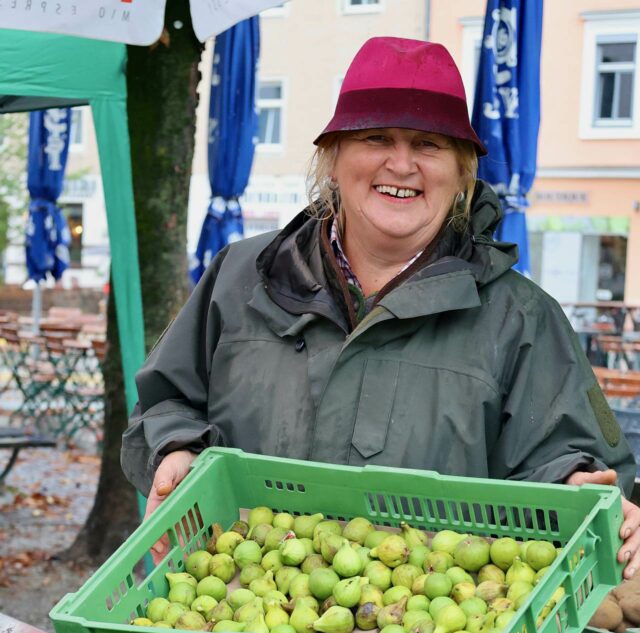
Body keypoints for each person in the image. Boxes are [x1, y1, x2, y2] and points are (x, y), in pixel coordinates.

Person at [121, 36, 640, 574]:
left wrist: (578, 486)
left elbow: (572, 463)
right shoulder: (240, 277)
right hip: (227, 626)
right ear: (333, 157)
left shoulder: (520, 317)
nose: (401, 163)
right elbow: (166, 402)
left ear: (462, 171)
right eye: (377, 138)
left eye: (429, 144)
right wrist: (176, 450)